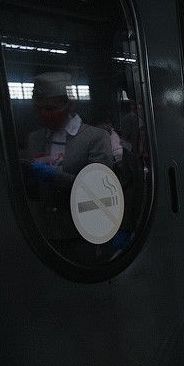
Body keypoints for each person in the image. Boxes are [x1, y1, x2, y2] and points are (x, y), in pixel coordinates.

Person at [23, 72, 112, 257]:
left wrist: (56, 176)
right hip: (44, 232)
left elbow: (100, 191)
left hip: (80, 232)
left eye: (49, 108)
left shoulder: (94, 137)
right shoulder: (35, 139)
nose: (43, 115)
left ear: (69, 105)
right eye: (38, 109)